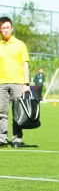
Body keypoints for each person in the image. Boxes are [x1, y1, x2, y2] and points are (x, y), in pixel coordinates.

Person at [0, 16, 31, 148]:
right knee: (1, 113)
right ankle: (2, 138)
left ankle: (17, 139)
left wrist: (27, 84)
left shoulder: (20, 45)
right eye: (3, 28)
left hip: (18, 83)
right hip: (1, 83)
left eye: (7, 27)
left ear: (12, 28)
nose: (5, 30)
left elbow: (25, 64)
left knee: (18, 113)